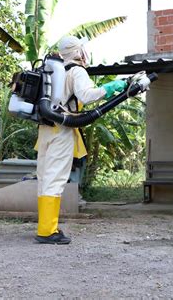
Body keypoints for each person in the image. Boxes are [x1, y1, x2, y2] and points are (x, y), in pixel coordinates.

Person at [35, 36, 127, 244]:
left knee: (43, 178)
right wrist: (111, 87)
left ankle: (45, 226)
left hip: (45, 130)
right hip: (62, 130)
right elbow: (86, 96)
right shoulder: (76, 71)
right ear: (78, 52)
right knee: (55, 179)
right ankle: (47, 231)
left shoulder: (52, 71)